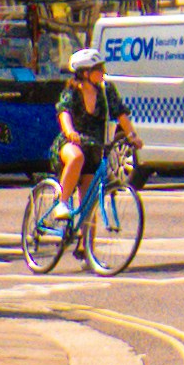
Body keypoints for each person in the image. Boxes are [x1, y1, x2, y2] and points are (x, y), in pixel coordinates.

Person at [46, 47, 133, 244]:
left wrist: (133, 135)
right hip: (71, 143)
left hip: (94, 147)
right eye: (98, 68)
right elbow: (64, 111)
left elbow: (120, 113)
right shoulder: (72, 91)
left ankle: (86, 247)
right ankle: (62, 202)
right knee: (76, 157)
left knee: (89, 200)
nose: (103, 72)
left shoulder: (106, 90)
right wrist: (69, 131)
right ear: (85, 73)